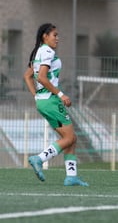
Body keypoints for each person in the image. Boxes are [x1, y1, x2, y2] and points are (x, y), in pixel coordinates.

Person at [23, 23, 88, 187]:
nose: (57, 39)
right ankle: (39, 158)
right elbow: (42, 78)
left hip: (45, 101)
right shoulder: (47, 51)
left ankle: (71, 176)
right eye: (54, 35)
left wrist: (37, 96)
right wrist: (60, 94)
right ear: (45, 36)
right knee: (70, 137)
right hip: (52, 101)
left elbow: (27, 76)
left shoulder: (39, 51)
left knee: (71, 139)